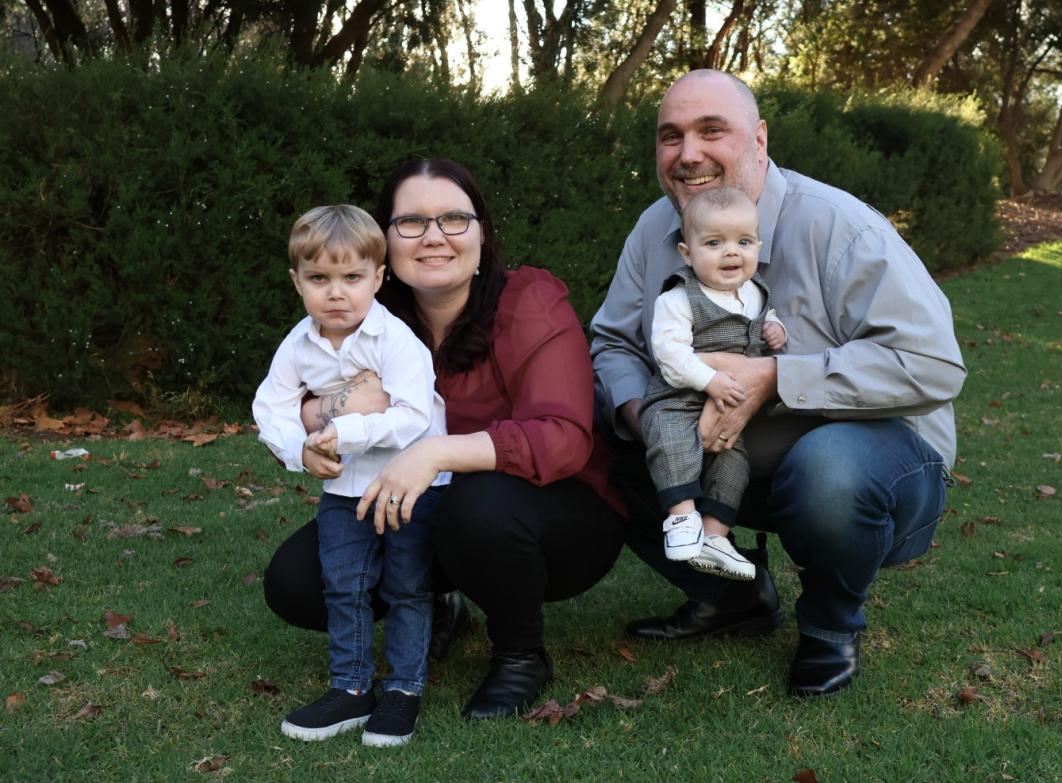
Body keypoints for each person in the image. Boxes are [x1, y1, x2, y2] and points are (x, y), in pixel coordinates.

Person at [590, 70, 966, 697]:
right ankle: (730, 600)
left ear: (759, 139)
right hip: (725, 453)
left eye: (713, 131)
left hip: (876, 460)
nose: (688, 154)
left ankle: (829, 628)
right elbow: (612, 342)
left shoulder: (840, 227)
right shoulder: (657, 228)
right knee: (599, 436)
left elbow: (934, 365)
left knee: (828, 470)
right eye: (670, 136)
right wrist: (646, 418)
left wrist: (777, 378)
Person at [263, 158, 627, 720]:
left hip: (555, 514)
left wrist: (432, 451)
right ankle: (439, 608)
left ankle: (520, 654)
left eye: (454, 219)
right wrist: (328, 413)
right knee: (297, 580)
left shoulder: (529, 301)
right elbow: (288, 402)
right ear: (384, 244)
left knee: (475, 502)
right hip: (423, 505)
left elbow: (563, 439)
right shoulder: (365, 315)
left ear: (482, 230)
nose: (434, 237)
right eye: (411, 222)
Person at [253, 205, 447, 746]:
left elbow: (413, 414)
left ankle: (403, 691)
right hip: (342, 490)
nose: (336, 293)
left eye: (352, 278)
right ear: (297, 282)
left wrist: (348, 431)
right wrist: (301, 452)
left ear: (378, 278)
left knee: (406, 586)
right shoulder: (298, 344)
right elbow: (270, 406)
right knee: (344, 585)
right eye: (319, 279)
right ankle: (351, 688)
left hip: (409, 486)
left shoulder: (395, 340)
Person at [639, 186, 787, 581]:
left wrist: (774, 327)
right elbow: (669, 355)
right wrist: (711, 380)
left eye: (743, 241)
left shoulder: (756, 294)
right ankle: (681, 518)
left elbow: (762, 323)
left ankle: (715, 537)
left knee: (734, 463)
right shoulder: (679, 297)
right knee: (671, 443)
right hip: (677, 397)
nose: (731, 252)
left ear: (758, 244)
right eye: (714, 243)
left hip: (728, 408)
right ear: (688, 253)